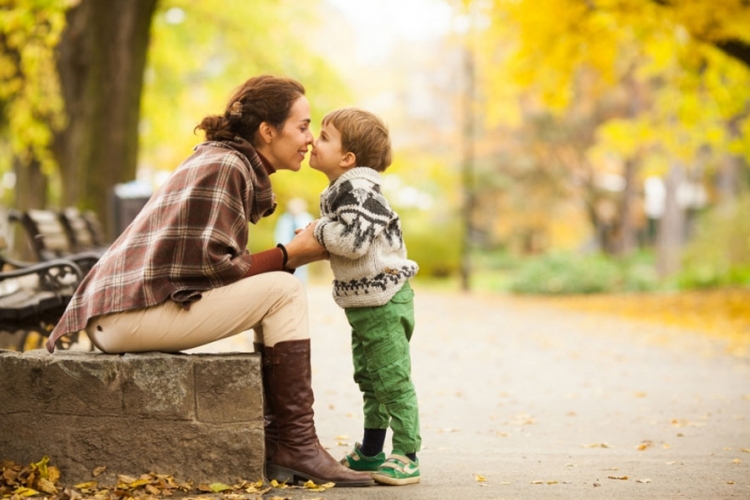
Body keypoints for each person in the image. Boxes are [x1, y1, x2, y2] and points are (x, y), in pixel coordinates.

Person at [44, 76, 374, 488]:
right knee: (285, 290)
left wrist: (288, 256)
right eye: (303, 126)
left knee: (280, 288)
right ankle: (295, 445)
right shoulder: (227, 165)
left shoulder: (224, 159)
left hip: (123, 314)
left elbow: (207, 268)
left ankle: (287, 444)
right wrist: (292, 255)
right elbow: (215, 270)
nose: (309, 139)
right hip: (125, 317)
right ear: (267, 131)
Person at [308, 107, 421, 486]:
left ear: (347, 158)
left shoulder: (360, 191)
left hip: (386, 302)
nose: (312, 140)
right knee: (369, 379)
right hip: (365, 304)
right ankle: (372, 450)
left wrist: (318, 231)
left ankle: (407, 453)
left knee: (392, 380)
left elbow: (354, 243)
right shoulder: (342, 190)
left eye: (323, 136)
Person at [274, 197, 314, 284]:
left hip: (304, 249)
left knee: (301, 271)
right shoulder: (284, 219)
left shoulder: (307, 218)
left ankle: (301, 286)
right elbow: (280, 234)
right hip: (287, 249)